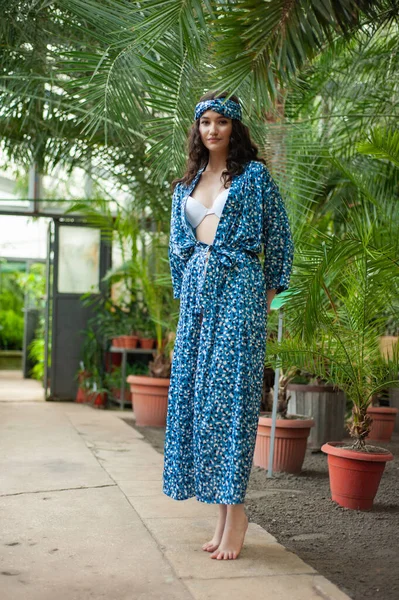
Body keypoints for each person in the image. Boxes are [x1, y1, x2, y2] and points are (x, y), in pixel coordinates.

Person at [163, 90, 294, 560]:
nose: (213, 129)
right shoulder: (185, 185)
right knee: (200, 401)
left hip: (239, 290)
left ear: (234, 127)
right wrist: (186, 300)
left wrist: (273, 291)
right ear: (197, 130)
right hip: (198, 298)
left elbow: (278, 231)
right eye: (205, 122)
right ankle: (220, 513)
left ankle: (236, 512)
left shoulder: (254, 177)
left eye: (221, 121)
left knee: (231, 400)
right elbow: (179, 249)